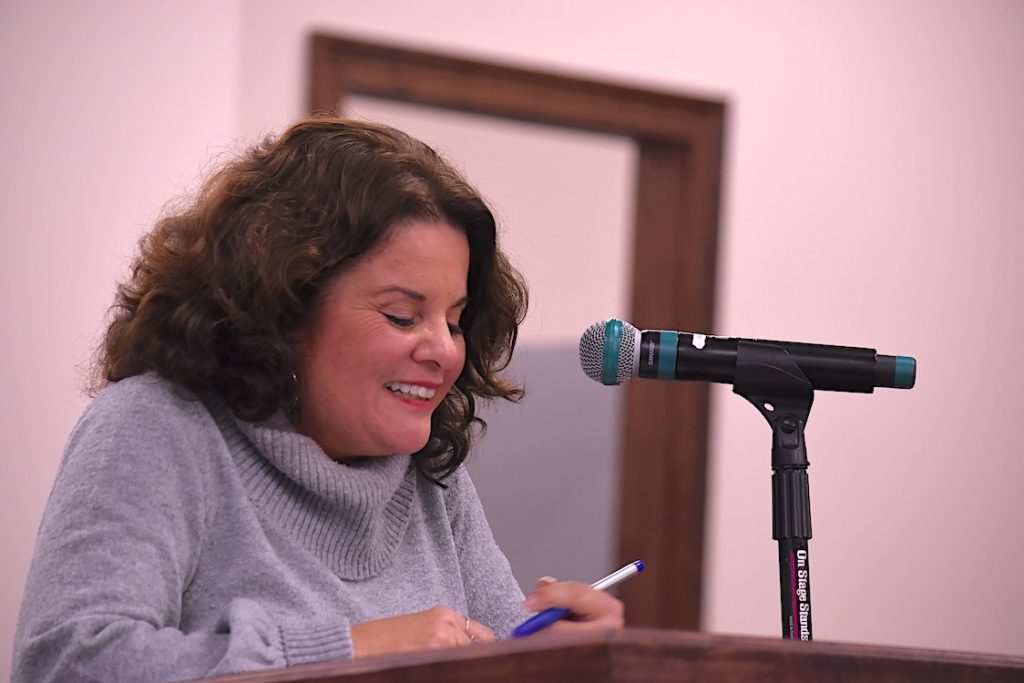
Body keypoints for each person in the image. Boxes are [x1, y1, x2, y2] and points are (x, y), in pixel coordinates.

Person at [13, 116, 624, 682]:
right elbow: (69, 664)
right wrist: (351, 650)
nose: (444, 350)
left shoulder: (432, 484)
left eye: (456, 320)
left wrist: (566, 659)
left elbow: (493, 659)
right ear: (283, 308)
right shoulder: (157, 429)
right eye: (402, 315)